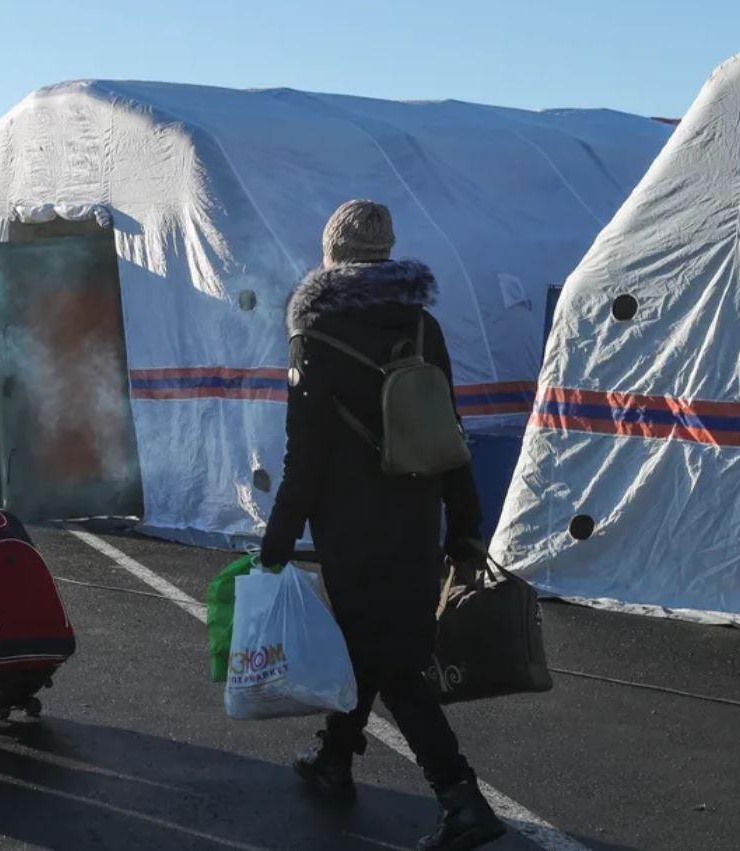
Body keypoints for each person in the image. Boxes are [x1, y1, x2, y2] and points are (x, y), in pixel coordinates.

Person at [259, 201, 504, 851]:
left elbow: (305, 454)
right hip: (416, 517)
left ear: (331, 254)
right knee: (369, 643)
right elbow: (448, 432)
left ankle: (461, 799)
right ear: (387, 252)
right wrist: (465, 526)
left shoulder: (315, 332)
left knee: (394, 663)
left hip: (351, 527)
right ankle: (334, 758)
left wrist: (276, 541)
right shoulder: (422, 326)